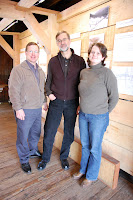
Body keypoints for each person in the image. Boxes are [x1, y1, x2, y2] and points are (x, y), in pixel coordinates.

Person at [37, 31, 86, 171]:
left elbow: (83, 84)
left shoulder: (80, 61)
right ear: (57, 43)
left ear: (69, 41)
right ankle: (45, 158)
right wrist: (49, 93)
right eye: (59, 40)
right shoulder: (53, 61)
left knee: (69, 133)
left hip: (72, 103)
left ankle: (64, 157)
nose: (62, 42)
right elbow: (48, 81)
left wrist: (80, 103)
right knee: (49, 131)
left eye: (64, 39)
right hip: (56, 102)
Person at [73, 43, 119, 187]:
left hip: (99, 117)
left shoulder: (107, 73)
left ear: (103, 56)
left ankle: (91, 176)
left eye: (98, 53)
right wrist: (81, 104)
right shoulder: (84, 72)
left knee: (94, 148)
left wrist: (104, 112)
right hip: (83, 115)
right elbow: (85, 92)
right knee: (85, 145)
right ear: (88, 54)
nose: (94, 55)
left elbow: (114, 97)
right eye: (92, 52)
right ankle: (83, 170)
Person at [8, 42, 48, 173]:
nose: (33, 54)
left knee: (35, 132)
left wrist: (44, 101)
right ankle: (24, 160)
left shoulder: (41, 71)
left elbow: (42, 89)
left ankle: (33, 150)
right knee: (22, 135)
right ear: (25, 53)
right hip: (24, 109)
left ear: (38, 54)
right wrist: (18, 108)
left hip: (37, 109)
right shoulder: (18, 70)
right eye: (30, 51)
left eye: (35, 51)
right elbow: (13, 90)